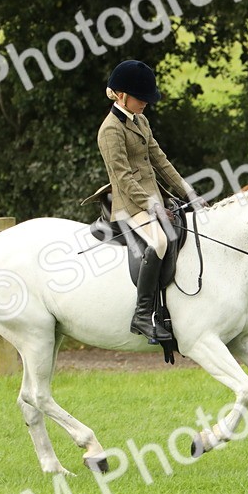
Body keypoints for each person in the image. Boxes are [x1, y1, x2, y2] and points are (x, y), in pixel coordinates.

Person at [97, 59, 203, 343]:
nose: (145, 102)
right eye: (141, 98)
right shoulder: (110, 130)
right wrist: (151, 205)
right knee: (158, 241)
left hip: (154, 198)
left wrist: (187, 192)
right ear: (122, 95)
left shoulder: (140, 121)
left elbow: (160, 161)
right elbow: (122, 177)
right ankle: (142, 314)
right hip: (129, 204)